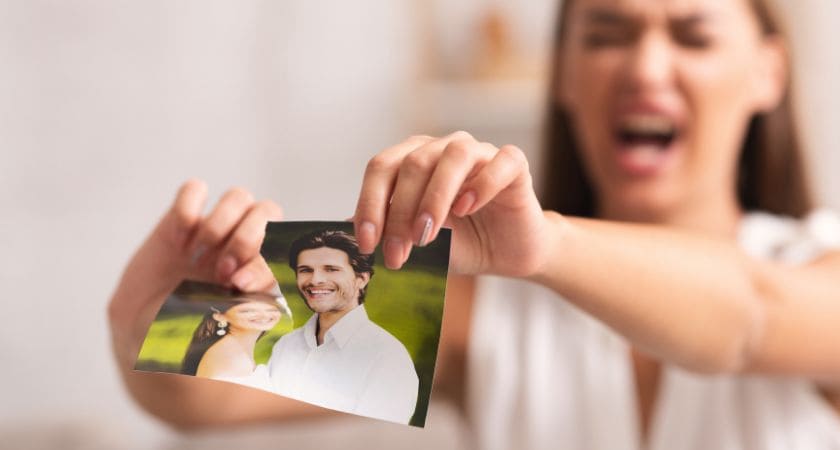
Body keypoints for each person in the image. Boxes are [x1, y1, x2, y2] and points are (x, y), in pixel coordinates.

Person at [107, 0, 840, 447]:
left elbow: (752, 318)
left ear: (768, 72)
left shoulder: (820, 269)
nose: (647, 67)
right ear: (562, 76)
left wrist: (548, 242)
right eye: (606, 33)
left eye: (693, 35)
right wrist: (154, 316)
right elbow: (198, 394)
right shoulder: (490, 308)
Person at [267, 229, 419, 424]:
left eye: (331, 269)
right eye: (306, 270)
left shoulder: (388, 358)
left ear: (361, 279)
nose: (315, 280)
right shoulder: (285, 346)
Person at [180, 293, 288, 393]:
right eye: (248, 310)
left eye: (270, 308)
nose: (264, 315)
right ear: (219, 315)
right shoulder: (229, 356)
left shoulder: (232, 348)